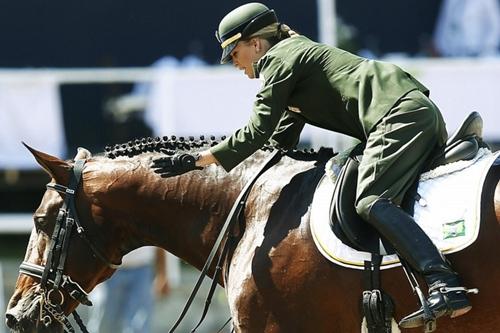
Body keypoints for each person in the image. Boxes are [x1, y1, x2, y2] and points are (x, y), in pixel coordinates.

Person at [150, 2, 475, 329]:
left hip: (398, 118)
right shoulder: (293, 61)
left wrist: (199, 160)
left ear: (256, 44)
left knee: (370, 200)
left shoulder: (279, 60)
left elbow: (255, 131)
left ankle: (443, 282)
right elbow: (275, 144)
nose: (233, 63)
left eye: (234, 53)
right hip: (413, 112)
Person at [87, 247, 170, 333]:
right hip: (109, 267)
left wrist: (162, 274)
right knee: (104, 321)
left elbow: (158, 240)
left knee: (139, 324)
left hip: (142, 269)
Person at [433, 0, 500, 57]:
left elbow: (495, 26)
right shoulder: (450, 1)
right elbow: (444, 23)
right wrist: (442, 47)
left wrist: (487, 49)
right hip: (453, 54)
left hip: (478, 53)